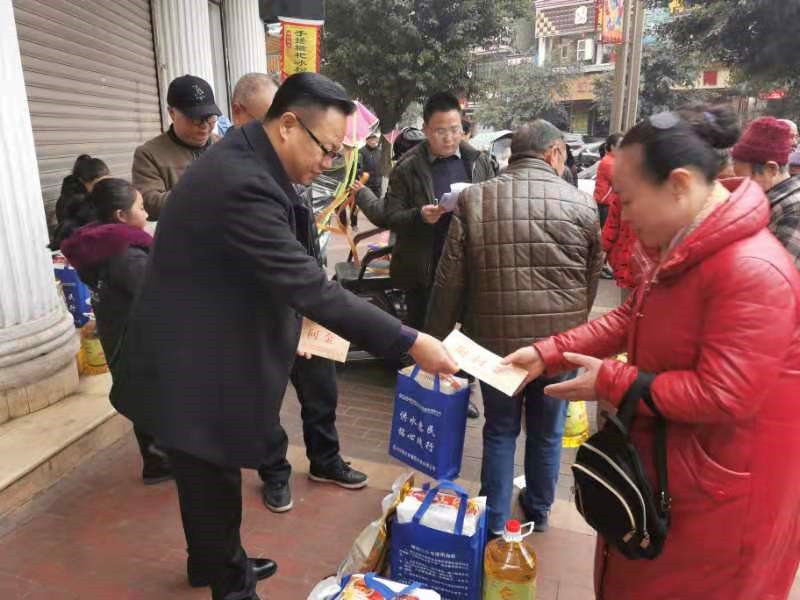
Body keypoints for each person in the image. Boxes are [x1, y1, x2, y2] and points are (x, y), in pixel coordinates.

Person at [109, 72, 457, 600]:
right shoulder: (242, 182)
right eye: (327, 149)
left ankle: (212, 562)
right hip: (188, 363)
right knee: (212, 476)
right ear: (289, 125)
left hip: (197, 351)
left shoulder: (250, 160)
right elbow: (307, 285)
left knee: (206, 476)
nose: (329, 163)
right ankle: (232, 583)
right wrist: (410, 341)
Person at [503, 104, 800, 599]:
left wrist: (611, 380)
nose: (621, 215)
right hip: (669, 468)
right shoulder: (688, 244)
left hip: (720, 501)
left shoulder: (750, 269)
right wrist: (548, 352)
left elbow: (725, 394)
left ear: (678, 184)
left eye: (628, 199)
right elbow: (632, 316)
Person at [426, 120, 603, 535]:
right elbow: (591, 280)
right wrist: (575, 328)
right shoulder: (582, 204)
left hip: (493, 344)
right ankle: (539, 511)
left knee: (500, 430)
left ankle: (492, 518)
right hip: (558, 346)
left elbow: (449, 279)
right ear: (554, 152)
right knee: (548, 431)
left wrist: (434, 339)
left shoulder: (475, 199)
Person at [228, 71, 371, 513]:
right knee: (265, 400)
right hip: (264, 314)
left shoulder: (296, 168)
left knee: (321, 389)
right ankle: (274, 472)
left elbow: (305, 240)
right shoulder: (234, 175)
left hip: (306, 300)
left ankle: (325, 460)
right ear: (242, 117)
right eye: (266, 120)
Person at [384, 92, 494, 418]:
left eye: (455, 129)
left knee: (468, 333)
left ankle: (461, 391)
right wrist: (419, 216)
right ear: (426, 130)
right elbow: (390, 215)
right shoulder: (408, 168)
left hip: (469, 264)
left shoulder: (478, 162)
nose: (449, 137)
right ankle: (427, 394)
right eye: (440, 131)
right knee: (426, 332)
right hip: (425, 265)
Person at [59, 179, 171, 485]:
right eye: (141, 207)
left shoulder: (96, 244)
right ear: (121, 215)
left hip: (118, 332)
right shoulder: (128, 256)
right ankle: (160, 462)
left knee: (142, 396)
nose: (146, 214)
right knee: (154, 399)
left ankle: (157, 460)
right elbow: (160, 298)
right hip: (138, 339)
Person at [132, 74, 221, 220]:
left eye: (210, 118)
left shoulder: (224, 146)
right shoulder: (149, 154)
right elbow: (149, 203)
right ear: (172, 113)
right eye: (196, 119)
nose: (205, 126)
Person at [732, 116, 800, 268]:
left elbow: (782, 273)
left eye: (747, 180)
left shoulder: (794, 210)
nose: (743, 187)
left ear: (771, 169)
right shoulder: (770, 201)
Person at [601, 133, 642, 292]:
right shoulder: (622, 192)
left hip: (630, 263)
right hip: (629, 264)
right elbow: (612, 226)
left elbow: (611, 226)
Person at [51, 155, 110, 250]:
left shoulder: (94, 194)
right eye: (97, 183)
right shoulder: (75, 201)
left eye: (106, 180)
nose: (104, 186)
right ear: (82, 181)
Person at [594, 133, 623, 230]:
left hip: (608, 204)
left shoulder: (614, 161)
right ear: (612, 147)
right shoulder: (609, 162)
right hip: (605, 205)